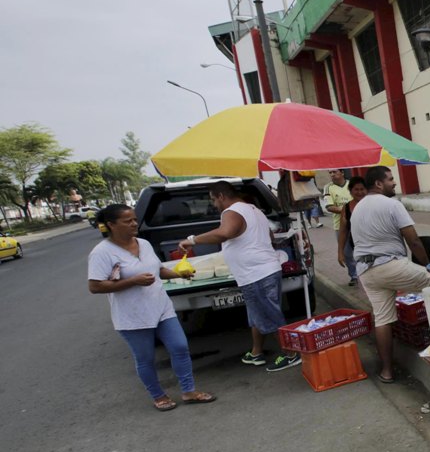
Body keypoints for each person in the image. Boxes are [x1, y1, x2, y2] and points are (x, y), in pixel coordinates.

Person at [88, 204, 215, 411]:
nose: (134, 224)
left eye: (135, 219)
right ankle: (158, 395)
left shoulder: (144, 244)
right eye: (127, 221)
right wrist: (133, 281)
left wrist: (178, 274)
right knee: (145, 358)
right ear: (111, 225)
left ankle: (189, 391)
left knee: (180, 347)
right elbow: (95, 286)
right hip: (132, 315)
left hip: (161, 307)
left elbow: (158, 270)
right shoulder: (102, 253)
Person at [177, 180, 302, 372]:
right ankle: (256, 352)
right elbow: (268, 236)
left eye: (213, 200)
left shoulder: (232, 211)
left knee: (269, 315)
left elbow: (224, 233)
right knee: (257, 315)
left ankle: (291, 354)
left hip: (256, 274)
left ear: (221, 196)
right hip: (265, 270)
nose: (214, 205)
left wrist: (193, 239)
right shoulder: (253, 209)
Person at [350, 166, 430, 383]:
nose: (394, 183)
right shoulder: (392, 204)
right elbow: (413, 239)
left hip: (366, 271)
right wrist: (429, 266)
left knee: (383, 319)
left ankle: (387, 371)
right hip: (390, 264)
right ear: (379, 183)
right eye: (390, 179)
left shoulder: (357, 208)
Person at [323, 168, 357, 285]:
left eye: (334, 172)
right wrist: (347, 211)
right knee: (347, 253)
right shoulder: (328, 188)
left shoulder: (351, 185)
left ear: (342, 173)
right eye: (330, 172)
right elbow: (329, 207)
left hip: (357, 223)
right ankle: (354, 275)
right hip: (340, 226)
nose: (332, 174)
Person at [337, 176, 368, 277]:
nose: (359, 192)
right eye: (356, 189)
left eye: (362, 189)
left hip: (375, 246)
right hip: (358, 247)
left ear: (367, 190)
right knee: (363, 274)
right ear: (350, 191)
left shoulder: (372, 204)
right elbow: (343, 231)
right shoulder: (346, 208)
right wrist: (340, 252)